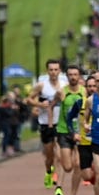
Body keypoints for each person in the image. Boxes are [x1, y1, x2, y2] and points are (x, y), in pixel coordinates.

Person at [55, 64, 87, 195]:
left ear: (79, 76)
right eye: (70, 75)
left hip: (79, 132)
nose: (73, 77)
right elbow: (52, 104)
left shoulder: (84, 91)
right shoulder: (62, 92)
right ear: (67, 76)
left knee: (78, 164)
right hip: (64, 131)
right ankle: (59, 184)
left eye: (75, 74)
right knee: (67, 167)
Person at [29, 59, 63, 188]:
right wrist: (39, 104)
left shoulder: (64, 84)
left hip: (60, 123)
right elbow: (28, 99)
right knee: (49, 155)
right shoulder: (41, 86)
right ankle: (49, 171)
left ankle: (56, 176)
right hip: (45, 123)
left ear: (59, 71)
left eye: (56, 70)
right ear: (47, 71)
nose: (53, 72)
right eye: (51, 70)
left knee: (59, 154)